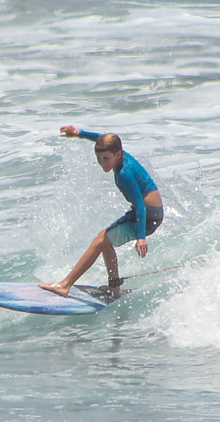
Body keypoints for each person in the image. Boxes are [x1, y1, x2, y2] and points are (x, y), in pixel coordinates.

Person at [39, 125, 163, 297]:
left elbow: (140, 205)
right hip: (149, 212)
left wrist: (141, 238)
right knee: (105, 241)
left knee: (99, 241)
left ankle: (65, 285)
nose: (102, 163)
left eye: (106, 158)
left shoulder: (124, 173)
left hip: (147, 214)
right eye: (98, 158)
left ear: (117, 154)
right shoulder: (119, 154)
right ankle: (115, 288)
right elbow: (101, 139)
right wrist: (79, 134)